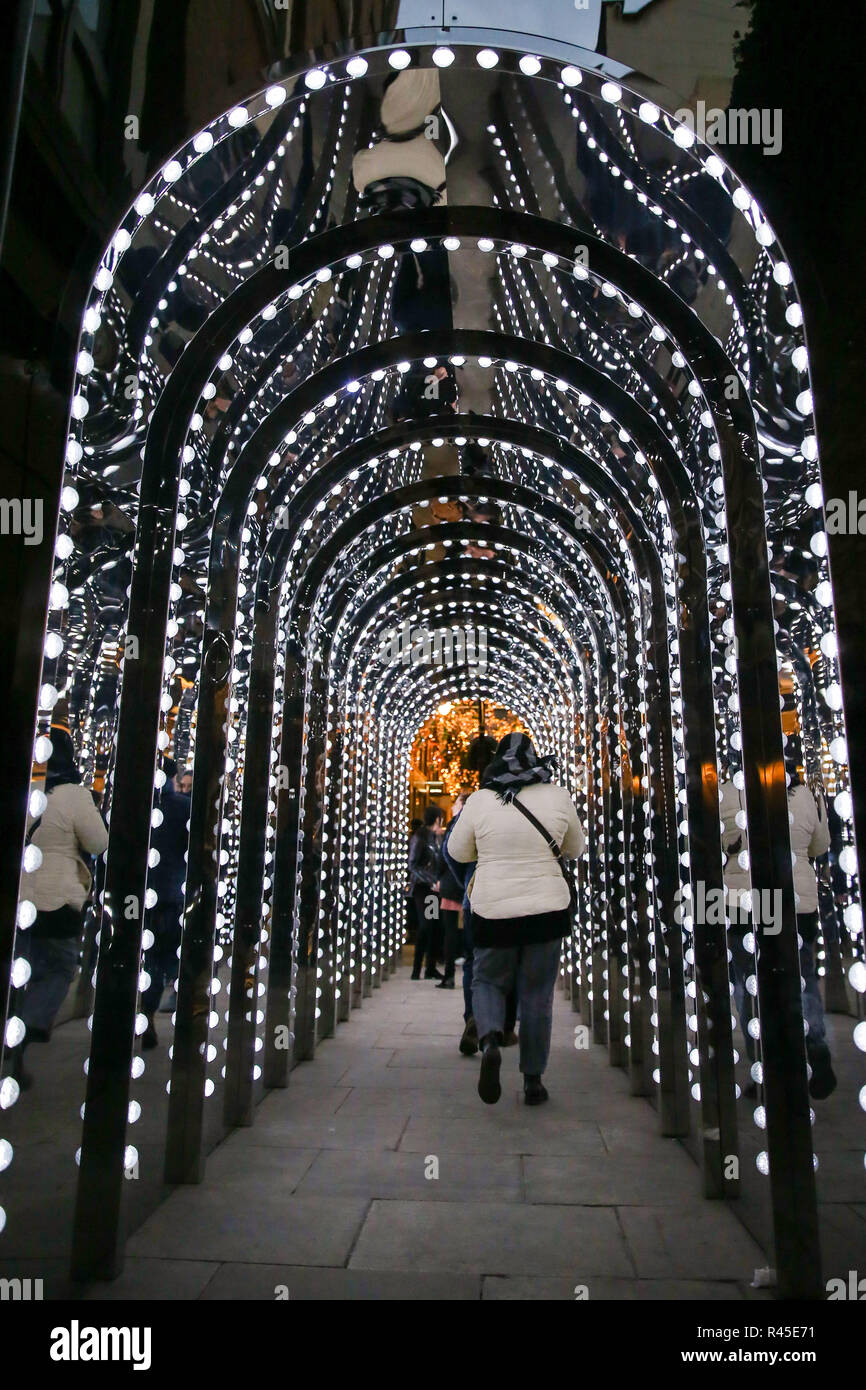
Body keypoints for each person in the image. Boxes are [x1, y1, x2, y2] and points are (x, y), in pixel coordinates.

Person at [448, 733, 584, 1106]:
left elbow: (457, 851)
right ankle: (533, 1081)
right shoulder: (556, 795)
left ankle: (490, 1038)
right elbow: (575, 848)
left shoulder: (480, 800)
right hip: (546, 913)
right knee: (537, 995)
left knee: (488, 980)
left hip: (494, 911)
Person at [721, 742, 834, 1101]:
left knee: (749, 985)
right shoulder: (805, 795)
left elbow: (719, 843)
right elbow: (821, 845)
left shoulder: (727, 794)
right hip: (796, 899)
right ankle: (813, 1044)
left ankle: (765, 1066)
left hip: (745, 902)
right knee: (803, 980)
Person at [8, 726, 108, 1088]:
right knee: (61, 966)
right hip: (58, 899)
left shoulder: (28, 787)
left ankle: (15, 1032)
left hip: (21, 896)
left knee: (21, 967)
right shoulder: (73, 796)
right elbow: (98, 842)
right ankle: (30, 1026)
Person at [141, 758, 191, 1048]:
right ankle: (147, 1011)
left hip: (135, 893)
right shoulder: (183, 809)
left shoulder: (137, 806)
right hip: (170, 896)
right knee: (160, 957)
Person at [408, 806, 444, 980]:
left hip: (432, 889)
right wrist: (432, 880)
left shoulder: (435, 837)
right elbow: (412, 864)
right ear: (437, 819)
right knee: (426, 926)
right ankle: (417, 968)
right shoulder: (421, 836)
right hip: (423, 889)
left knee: (433, 926)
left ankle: (429, 967)